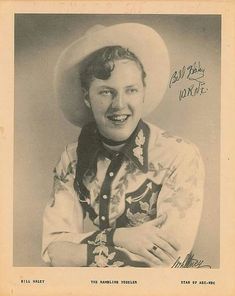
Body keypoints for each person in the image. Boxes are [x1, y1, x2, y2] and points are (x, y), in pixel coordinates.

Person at [42, 23, 205, 267]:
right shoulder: (72, 158)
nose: (119, 105)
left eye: (130, 90)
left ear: (143, 92)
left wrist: (81, 251)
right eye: (106, 92)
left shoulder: (180, 156)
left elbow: (168, 259)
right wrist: (120, 237)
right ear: (87, 97)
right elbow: (53, 252)